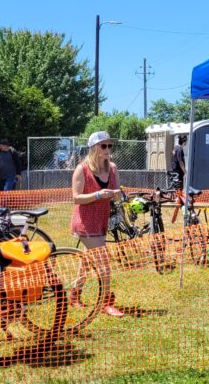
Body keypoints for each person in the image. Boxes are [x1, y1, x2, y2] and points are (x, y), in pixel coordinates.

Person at [70, 131, 124, 317]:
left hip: (102, 219)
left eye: (110, 145)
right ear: (94, 148)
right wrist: (98, 195)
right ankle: (106, 302)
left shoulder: (113, 169)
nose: (108, 149)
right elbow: (76, 198)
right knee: (103, 262)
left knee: (86, 261)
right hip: (85, 222)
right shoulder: (82, 169)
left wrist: (117, 195)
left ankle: (74, 295)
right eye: (103, 146)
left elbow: (116, 192)